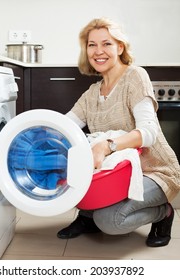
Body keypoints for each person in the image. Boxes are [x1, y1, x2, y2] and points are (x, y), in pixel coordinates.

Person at [56, 17, 180, 247]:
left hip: (154, 171)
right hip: (116, 173)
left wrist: (107, 145)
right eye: (92, 45)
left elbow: (149, 131)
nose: (98, 51)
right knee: (73, 179)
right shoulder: (92, 93)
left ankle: (163, 213)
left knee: (110, 220)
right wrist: (37, 135)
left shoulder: (135, 77)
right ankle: (87, 217)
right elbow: (64, 126)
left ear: (119, 47)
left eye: (106, 44)